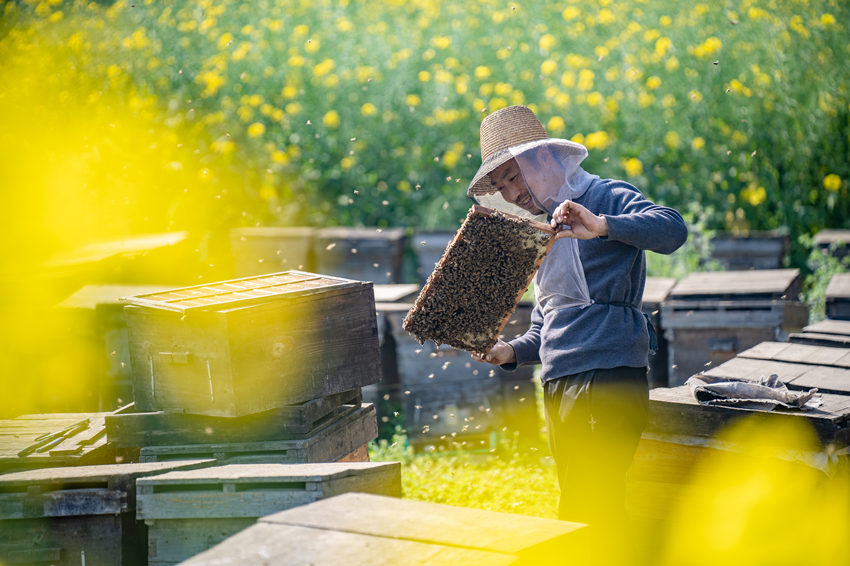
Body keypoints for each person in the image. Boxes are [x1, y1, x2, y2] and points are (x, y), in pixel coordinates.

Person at [468, 106, 688, 533]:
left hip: (606, 374)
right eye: (500, 186)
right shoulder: (540, 231)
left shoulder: (604, 197)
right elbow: (552, 321)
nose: (511, 195)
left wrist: (602, 225)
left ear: (544, 158)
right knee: (581, 505)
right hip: (561, 382)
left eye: (512, 177)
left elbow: (672, 229)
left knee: (590, 509)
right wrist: (509, 350)